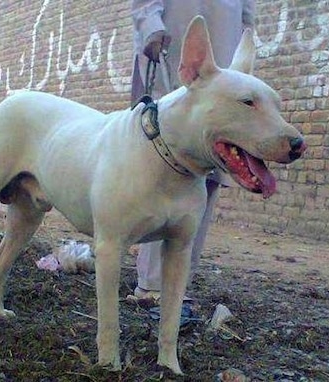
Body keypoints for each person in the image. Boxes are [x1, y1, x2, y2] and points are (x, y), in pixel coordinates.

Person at [130, 0, 256, 300]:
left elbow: (248, 16)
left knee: (211, 168)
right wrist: (150, 26)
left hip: (225, 59)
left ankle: (177, 282)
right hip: (173, 48)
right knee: (162, 163)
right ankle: (151, 283)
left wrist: (246, 52)